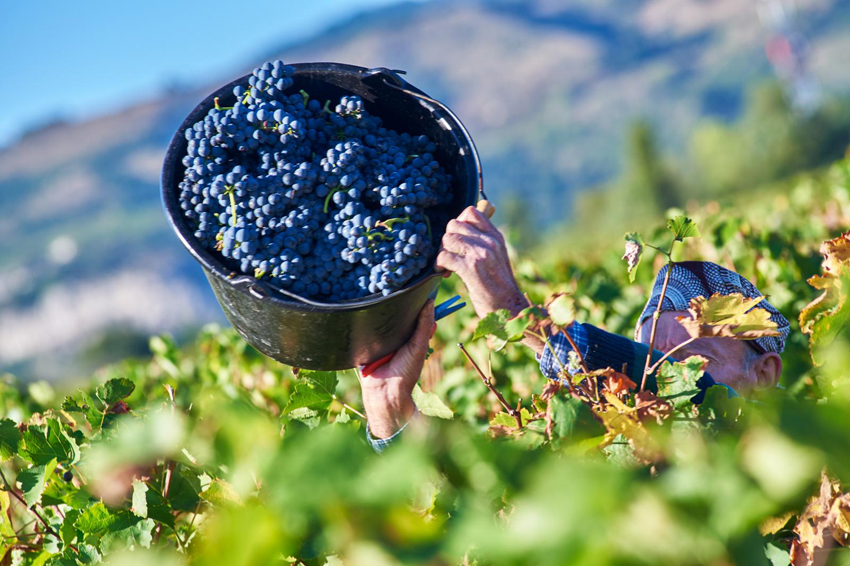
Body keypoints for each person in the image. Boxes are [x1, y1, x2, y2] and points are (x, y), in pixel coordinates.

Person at [359, 206, 791, 451]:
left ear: (765, 375)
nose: (650, 387)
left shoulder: (801, 461)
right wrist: (389, 407)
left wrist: (518, 314)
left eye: (694, 360)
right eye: (646, 361)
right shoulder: (596, 464)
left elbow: (705, 404)